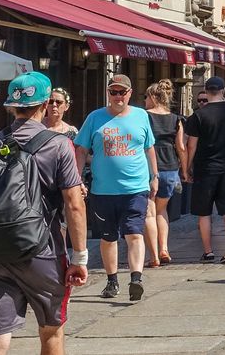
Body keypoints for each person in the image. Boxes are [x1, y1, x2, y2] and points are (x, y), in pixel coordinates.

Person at [0, 71, 87, 355]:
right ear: (45, 104)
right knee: (51, 333)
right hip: (42, 251)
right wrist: (79, 257)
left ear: (12, 106)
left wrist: (0, 236)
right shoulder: (58, 144)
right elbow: (74, 204)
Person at [74, 73, 156, 301]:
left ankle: (136, 279)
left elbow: (149, 148)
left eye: (122, 92)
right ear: (108, 93)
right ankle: (112, 281)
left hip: (135, 188)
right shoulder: (95, 118)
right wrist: (77, 178)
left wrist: (155, 175)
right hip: (103, 190)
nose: (118, 96)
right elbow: (80, 149)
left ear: (130, 93)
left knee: (134, 234)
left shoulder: (141, 116)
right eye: (114, 92)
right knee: (108, 237)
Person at [184, 76, 225, 263]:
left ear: (206, 91)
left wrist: (186, 168)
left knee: (204, 212)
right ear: (223, 90)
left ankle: (208, 251)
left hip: (205, 167)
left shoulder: (198, 116)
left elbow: (191, 145)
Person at [143, 80, 186, 267]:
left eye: (145, 97)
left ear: (153, 97)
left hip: (148, 168)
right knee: (162, 211)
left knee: (149, 213)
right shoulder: (176, 118)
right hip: (170, 167)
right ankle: (164, 249)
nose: (144, 101)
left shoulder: (144, 117)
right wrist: (184, 170)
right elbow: (181, 147)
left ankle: (153, 255)